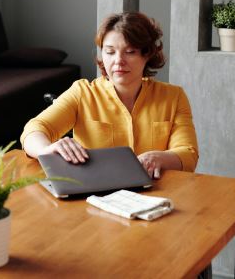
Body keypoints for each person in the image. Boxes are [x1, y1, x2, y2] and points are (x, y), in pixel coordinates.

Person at [20, 12, 198, 179]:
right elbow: (33, 129)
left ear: (147, 54)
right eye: (110, 51)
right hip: (95, 193)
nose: (118, 60)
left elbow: (188, 154)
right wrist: (47, 149)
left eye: (130, 52)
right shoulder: (82, 93)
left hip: (157, 192)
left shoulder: (173, 97)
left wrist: (157, 158)